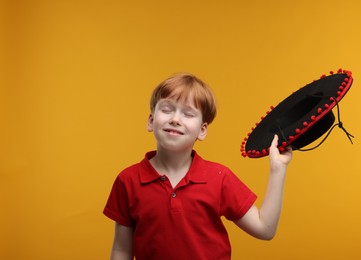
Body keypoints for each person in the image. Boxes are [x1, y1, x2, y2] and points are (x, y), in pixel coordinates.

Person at [103, 73, 293, 260]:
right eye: (167, 109)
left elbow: (264, 229)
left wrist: (278, 169)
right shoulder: (127, 180)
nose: (175, 119)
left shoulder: (220, 177)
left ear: (202, 130)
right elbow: (121, 250)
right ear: (151, 121)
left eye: (188, 113)